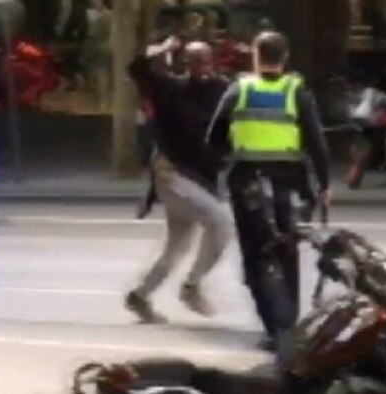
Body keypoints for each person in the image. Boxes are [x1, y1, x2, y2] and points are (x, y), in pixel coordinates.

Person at [207, 31, 331, 349]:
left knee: (256, 257)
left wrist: (233, 154)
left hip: (248, 186)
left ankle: (275, 328)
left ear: (255, 56)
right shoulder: (297, 92)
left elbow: (213, 139)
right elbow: (317, 143)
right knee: (287, 251)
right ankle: (290, 324)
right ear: (285, 57)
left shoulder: (239, 90)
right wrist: (325, 184)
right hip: (288, 186)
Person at [125, 39, 232, 322]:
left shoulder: (221, 90)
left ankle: (140, 296)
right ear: (186, 64)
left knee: (177, 247)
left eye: (208, 63)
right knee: (220, 222)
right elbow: (136, 68)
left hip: (200, 179)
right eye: (197, 63)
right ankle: (192, 287)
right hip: (172, 175)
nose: (204, 69)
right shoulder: (170, 88)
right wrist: (160, 49)